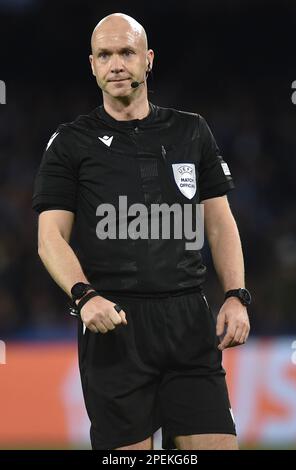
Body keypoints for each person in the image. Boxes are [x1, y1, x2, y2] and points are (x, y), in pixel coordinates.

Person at [32, 13, 251, 450]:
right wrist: (84, 295)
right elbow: (49, 238)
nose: (116, 64)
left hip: (189, 322)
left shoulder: (192, 130)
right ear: (92, 65)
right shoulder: (71, 142)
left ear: (147, 60)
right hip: (115, 327)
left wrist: (235, 294)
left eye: (126, 52)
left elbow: (220, 222)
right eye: (105, 55)